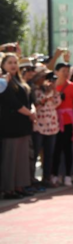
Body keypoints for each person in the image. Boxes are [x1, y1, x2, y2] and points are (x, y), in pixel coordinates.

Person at [0, 53, 35, 199]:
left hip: (24, 125)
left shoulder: (19, 81)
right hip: (10, 126)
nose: (13, 65)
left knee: (22, 158)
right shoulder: (3, 81)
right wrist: (30, 114)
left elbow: (29, 99)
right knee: (10, 159)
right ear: (3, 65)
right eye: (10, 62)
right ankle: (9, 189)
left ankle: (19, 186)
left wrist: (32, 110)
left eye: (15, 62)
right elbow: (13, 102)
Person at [51, 62, 73, 187]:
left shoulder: (72, 86)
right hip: (53, 120)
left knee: (67, 148)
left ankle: (68, 175)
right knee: (55, 149)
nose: (66, 73)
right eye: (63, 70)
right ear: (56, 72)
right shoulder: (51, 86)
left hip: (68, 121)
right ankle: (54, 175)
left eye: (67, 71)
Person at [31, 67, 61, 187]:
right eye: (43, 76)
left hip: (52, 126)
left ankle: (46, 178)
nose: (46, 79)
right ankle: (31, 179)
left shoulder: (51, 90)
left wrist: (53, 90)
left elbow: (57, 103)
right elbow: (36, 105)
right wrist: (46, 96)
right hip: (38, 126)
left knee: (49, 154)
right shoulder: (34, 90)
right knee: (35, 154)